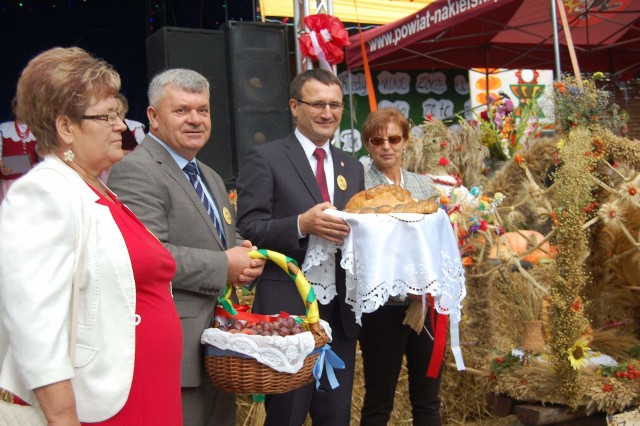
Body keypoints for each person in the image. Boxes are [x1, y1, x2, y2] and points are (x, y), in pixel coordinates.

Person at [0, 47, 182, 424]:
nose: (121, 125)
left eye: (119, 114)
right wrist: (63, 418)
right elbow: (35, 323)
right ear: (66, 127)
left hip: (146, 392)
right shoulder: (46, 192)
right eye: (107, 116)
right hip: (103, 407)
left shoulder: (98, 190)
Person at [107, 68, 265, 426]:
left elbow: (222, 240)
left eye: (203, 110)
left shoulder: (208, 174)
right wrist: (224, 265)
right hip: (176, 351)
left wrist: (246, 257)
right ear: (153, 117)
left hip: (220, 349)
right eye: (181, 110)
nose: (195, 119)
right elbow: (148, 256)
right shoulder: (136, 170)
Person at [236, 68, 365, 426]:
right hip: (286, 312)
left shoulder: (351, 166)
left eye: (335, 105)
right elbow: (248, 227)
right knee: (286, 416)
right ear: (295, 107)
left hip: (339, 313)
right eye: (318, 104)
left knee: (335, 416)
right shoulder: (266, 157)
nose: (328, 113)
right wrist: (300, 225)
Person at [358, 107, 442, 425]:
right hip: (383, 307)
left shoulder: (425, 185)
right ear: (368, 145)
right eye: (378, 140)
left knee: (428, 400)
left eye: (394, 138)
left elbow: (440, 239)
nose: (386, 146)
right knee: (379, 401)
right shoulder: (360, 186)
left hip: (426, 304)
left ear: (407, 141)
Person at [0, 96, 38, 203]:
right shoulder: (4, 129)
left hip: (31, 179)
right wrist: (1, 166)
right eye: (20, 107)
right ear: (14, 109)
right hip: (10, 180)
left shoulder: (36, 130)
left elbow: (42, 154)